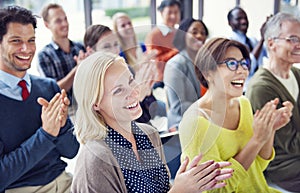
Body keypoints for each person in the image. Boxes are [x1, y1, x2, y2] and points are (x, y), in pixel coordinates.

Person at [70, 51, 234, 193]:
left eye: (130, 80)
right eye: (118, 90)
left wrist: (187, 184)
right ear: (95, 103)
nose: (133, 91)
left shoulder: (149, 134)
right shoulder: (95, 160)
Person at [179, 37, 293, 192]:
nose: (242, 71)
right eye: (231, 63)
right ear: (208, 73)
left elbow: (257, 166)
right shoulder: (195, 122)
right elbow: (215, 190)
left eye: (243, 63)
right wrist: (256, 140)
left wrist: (270, 129)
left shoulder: (243, 103)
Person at [0, 5, 79, 193]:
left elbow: (71, 151)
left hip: (66, 182)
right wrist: (46, 134)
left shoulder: (48, 87)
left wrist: (60, 127)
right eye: (16, 41)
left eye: (31, 40)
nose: (26, 49)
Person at [246, 12, 300, 192]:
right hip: (282, 166)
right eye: (292, 39)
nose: (298, 45)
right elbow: (291, 144)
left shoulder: (296, 75)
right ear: (271, 44)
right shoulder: (261, 87)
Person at [84, 24, 166, 124]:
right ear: (91, 51)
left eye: (116, 44)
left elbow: (147, 114)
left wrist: (146, 94)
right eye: (106, 47)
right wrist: (137, 98)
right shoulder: (92, 83)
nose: (114, 51)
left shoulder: (126, 69)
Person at [37, 3, 86, 120]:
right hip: (68, 112)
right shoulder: (44, 56)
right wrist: (77, 70)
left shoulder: (80, 48)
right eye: (58, 21)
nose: (65, 24)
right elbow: (53, 90)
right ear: (47, 24)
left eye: (65, 19)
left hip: (89, 105)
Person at [164, 18, 208, 130]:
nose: (199, 36)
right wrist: (210, 109)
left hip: (205, 121)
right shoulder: (175, 64)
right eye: (194, 32)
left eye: (203, 33)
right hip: (182, 126)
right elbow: (179, 106)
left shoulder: (205, 64)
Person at [227, 7, 269, 92]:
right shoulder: (229, 43)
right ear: (230, 23)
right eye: (239, 19)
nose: (244, 21)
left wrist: (271, 32)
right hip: (242, 91)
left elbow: (272, 54)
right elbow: (248, 66)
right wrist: (262, 39)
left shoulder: (253, 41)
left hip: (260, 87)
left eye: (245, 18)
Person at [145, 0, 181, 87]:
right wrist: (177, 51)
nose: (173, 16)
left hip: (179, 76)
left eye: (176, 12)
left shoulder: (178, 33)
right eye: (169, 12)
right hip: (162, 82)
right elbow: (156, 62)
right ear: (161, 13)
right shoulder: (153, 35)